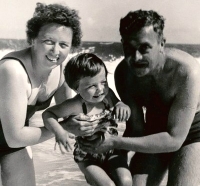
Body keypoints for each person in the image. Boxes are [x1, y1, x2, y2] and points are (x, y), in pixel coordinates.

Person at [77, 10, 200, 185]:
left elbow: (174, 140)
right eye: (129, 48)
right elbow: (136, 129)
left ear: (161, 44)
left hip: (193, 132)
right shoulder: (124, 73)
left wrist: (114, 143)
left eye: (144, 48)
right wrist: (108, 158)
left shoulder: (186, 71)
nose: (136, 57)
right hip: (154, 129)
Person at [0, 2, 84, 186]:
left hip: (11, 142)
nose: (56, 51)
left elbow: (68, 114)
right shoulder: (13, 70)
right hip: (13, 137)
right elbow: (14, 137)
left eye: (63, 44)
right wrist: (61, 129)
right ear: (32, 39)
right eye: (48, 41)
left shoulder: (60, 68)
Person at [42, 53, 132, 186]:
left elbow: (120, 105)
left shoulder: (108, 95)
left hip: (112, 151)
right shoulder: (75, 105)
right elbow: (48, 114)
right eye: (92, 86)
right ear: (76, 88)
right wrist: (59, 131)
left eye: (103, 82)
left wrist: (122, 106)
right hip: (87, 157)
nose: (100, 89)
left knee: (126, 181)